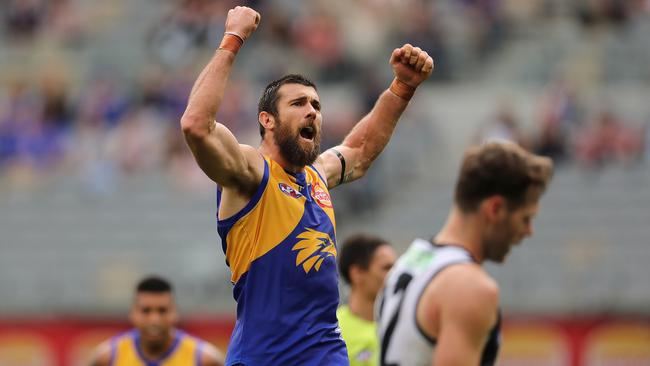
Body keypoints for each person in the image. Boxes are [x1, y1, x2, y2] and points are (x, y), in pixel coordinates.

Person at [180, 6, 433, 366]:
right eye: (298, 103)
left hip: (326, 354)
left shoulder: (316, 177)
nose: (312, 110)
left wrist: (401, 89)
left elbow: (359, 151)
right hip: (263, 357)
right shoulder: (252, 172)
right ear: (267, 120)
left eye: (316, 104)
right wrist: (232, 40)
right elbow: (195, 126)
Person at [377, 142, 553, 366]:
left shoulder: (413, 258)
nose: (529, 231)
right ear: (495, 209)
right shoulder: (470, 287)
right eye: (525, 219)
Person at [90, 276, 224, 366]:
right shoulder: (107, 358)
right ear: (133, 313)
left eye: (162, 310)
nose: (154, 320)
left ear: (175, 313)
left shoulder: (205, 360)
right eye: (146, 311)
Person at [337, 234, 397, 366]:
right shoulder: (334, 331)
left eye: (396, 268)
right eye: (387, 268)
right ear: (357, 273)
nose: (395, 275)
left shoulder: (402, 322)